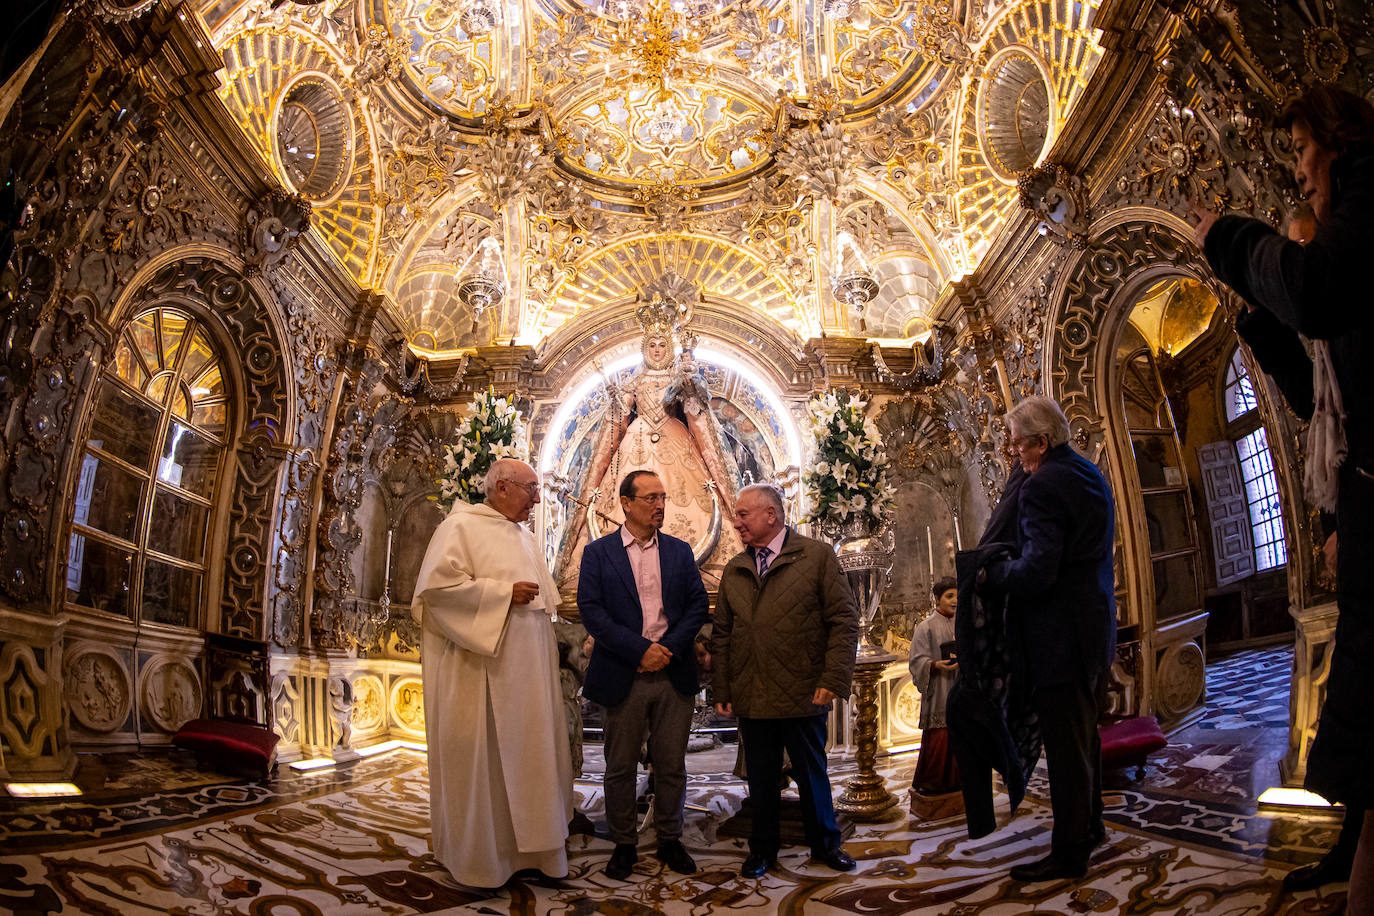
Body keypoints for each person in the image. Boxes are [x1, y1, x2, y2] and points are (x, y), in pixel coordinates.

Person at [1193, 85, 1374, 911]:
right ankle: (1351, 858)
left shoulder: (1361, 215)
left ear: (1335, 142)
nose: (1300, 175)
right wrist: (1263, 323)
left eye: (1303, 152)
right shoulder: (1337, 334)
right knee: (1367, 704)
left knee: (1368, 702)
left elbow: (1320, 290)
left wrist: (1226, 239)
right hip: (1366, 507)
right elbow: (1319, 403)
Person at [410, 458, 572, 888]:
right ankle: (485, 859)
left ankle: (536, 852)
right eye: (530, 489)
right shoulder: (460, 527)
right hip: (480, 677)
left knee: (531, 757)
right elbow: (438, 595)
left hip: (529, 681)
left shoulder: (524, 536)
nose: (538, 499)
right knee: (488, 766)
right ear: (502, 487)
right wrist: (502, 594)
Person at [980, 396, 1115, 882]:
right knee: (1085, 739)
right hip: (1093, 629)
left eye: (1019, 445)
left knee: (1065, 747)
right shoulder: (1088, 472)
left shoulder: (1043, 486)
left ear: (1041, 441)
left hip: (1058, 637)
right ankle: (1091, 826)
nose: (1015, 454)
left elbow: (1037, 571)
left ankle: (1070, 851)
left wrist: (994, 575)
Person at [710, 483, 860, 878]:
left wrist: (834, 677)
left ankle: (826, 845)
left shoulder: (816, 557)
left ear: (770, 515)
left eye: (743, 514)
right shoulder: (735, 568)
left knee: (812, 773)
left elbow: (844, 621)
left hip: (802, 688)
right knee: (761, 779)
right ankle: (762, 850)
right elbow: (722, 634)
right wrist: (722, 688)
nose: (736, 522)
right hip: (753, 691)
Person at [577, 470, 709, 880]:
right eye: (650, 498)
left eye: (663, 498)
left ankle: (670, 838)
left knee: (671, 766)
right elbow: (592, 610)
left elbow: (697, 606)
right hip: (624, 673)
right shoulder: (599, 554)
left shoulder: (679, 551)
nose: (659, 506)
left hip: (673, 673)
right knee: (619, 767)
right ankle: (624, 843)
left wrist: (665, 650)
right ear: (626, 503)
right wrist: (640, 650)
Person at [555, 299, 741, 587]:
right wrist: (616, 401)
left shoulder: (680, 377)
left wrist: (689, 384)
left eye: (662, 345)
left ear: (669, 348)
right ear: (645, 349)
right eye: (652, 345)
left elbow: (694, 409)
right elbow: (618, 421)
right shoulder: (635, 381)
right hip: (637, 442)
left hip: (675, 439)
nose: (657, 350)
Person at [909, 577, 961, 798]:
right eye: (949, 596)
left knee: (960, 735)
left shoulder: (962, 622)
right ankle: (933, 783)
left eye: (957, 596)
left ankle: (959, 781)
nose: (955, 601)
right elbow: (916, 661)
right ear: (937, 599)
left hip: (960, 688)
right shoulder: (926, 627)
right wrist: (935, 665)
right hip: (939, 689)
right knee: (940, 738)